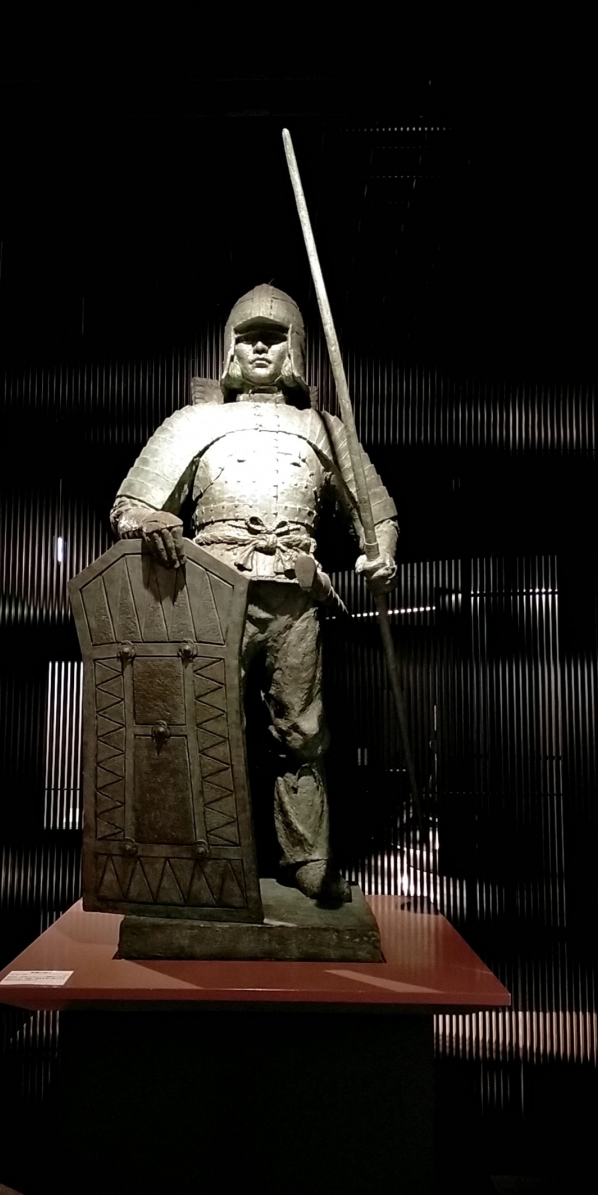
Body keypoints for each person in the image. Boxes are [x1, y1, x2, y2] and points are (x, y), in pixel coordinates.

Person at [111, 285, 398, 903]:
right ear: (230, 349)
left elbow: (377, 512)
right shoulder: (193, 423)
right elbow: (128, 505)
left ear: (295, 350)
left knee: (303, 732)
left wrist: (381, 554)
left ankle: (308, 857)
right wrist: (149, 521)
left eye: (273, 337)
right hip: (213, 597)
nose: (261, 348)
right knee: (208, 728)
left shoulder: (323, 428)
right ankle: (208, 857)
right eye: (249, 338)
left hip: (295, 599)